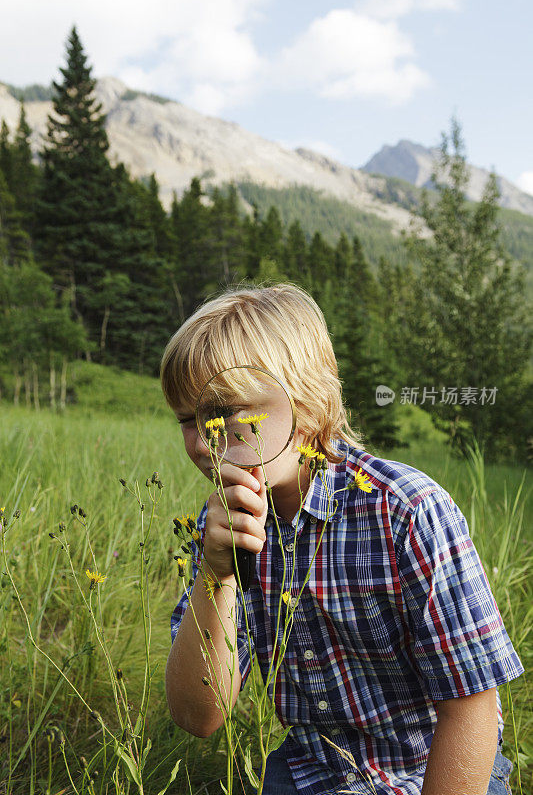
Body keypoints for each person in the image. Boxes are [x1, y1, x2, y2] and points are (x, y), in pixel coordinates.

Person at [161, 283, 523, 795]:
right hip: (314, 771)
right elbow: (199, 715)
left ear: (306, 404)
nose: (203, 442)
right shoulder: (224, 525)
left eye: (227, 412)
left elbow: (472, 709)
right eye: (187, 420)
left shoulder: (406, 511)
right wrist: (216, 574)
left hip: (434, 770)